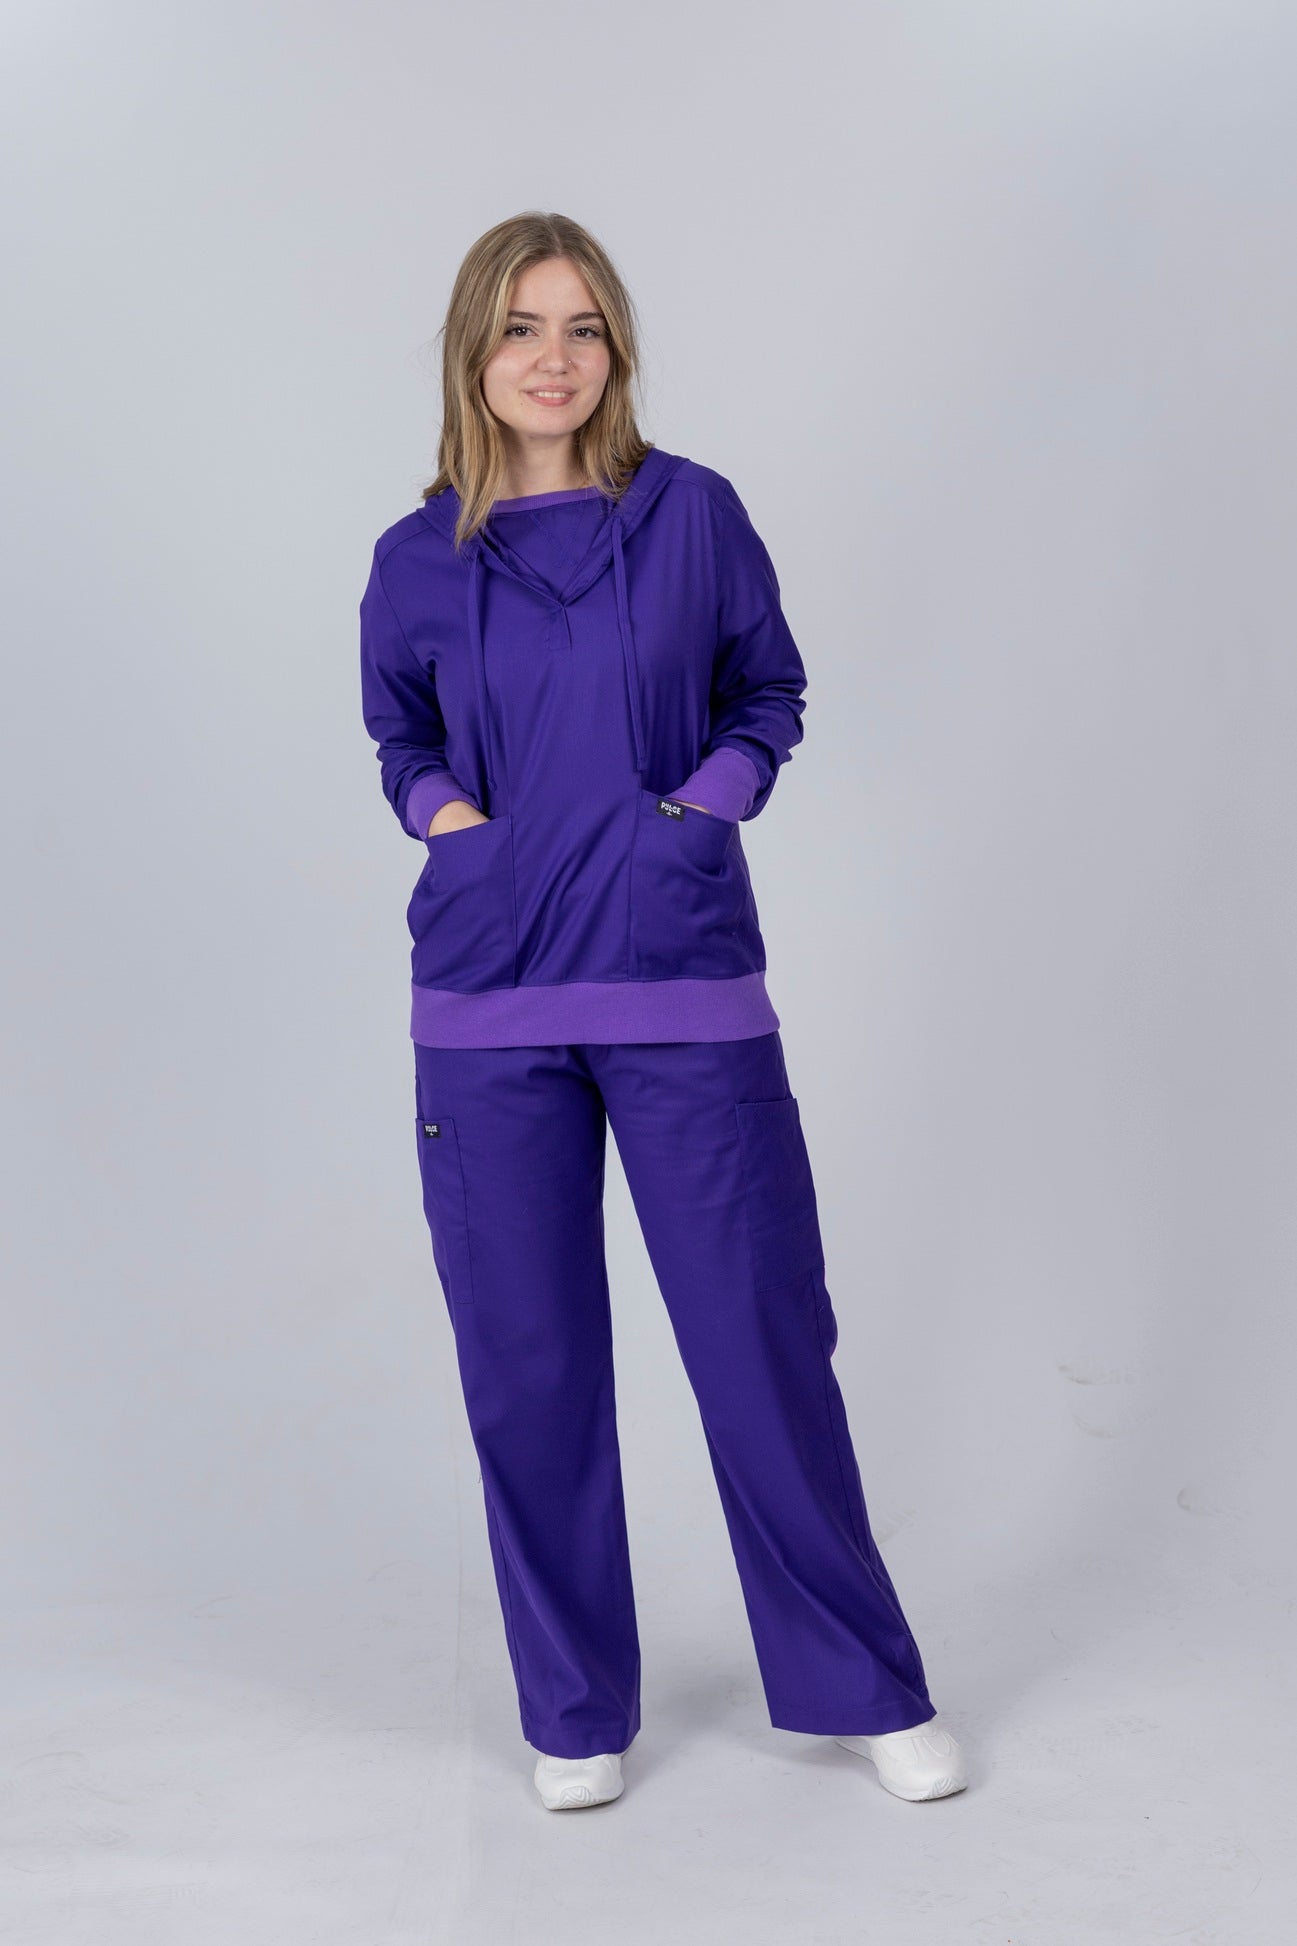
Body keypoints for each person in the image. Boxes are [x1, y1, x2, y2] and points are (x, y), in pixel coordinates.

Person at [359, 210, 968, 1812]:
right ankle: (573, 1710)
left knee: (759, 1339)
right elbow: (398, 735)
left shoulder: (691, 513)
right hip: (486, 1006)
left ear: (614, 350)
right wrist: (452, 829)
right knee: (530, 1366)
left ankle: (861, 1684)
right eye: (519, 327)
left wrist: (698, 814)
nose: (551, 359)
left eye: (581, 328)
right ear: (473, 351)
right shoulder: (414, 557)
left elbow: (768, 689)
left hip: (681, 978)